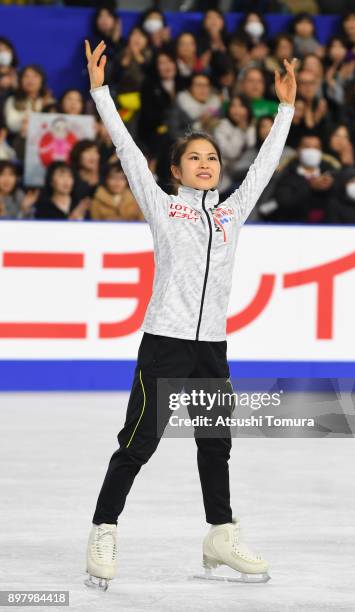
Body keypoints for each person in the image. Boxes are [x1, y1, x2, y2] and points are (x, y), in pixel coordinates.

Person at [84, 39, 296, 590]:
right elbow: (128, 150)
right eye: (195, 159)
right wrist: (102, 93)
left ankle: (220, 534)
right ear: (176, 169)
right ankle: (103, 529)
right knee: (139, 441)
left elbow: (265, 168)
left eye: (212, 158)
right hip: (165, 342)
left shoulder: (230, 214)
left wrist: (286, 110)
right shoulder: (163, 206)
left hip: (212, 347)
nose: (206, 165)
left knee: (215, 445)